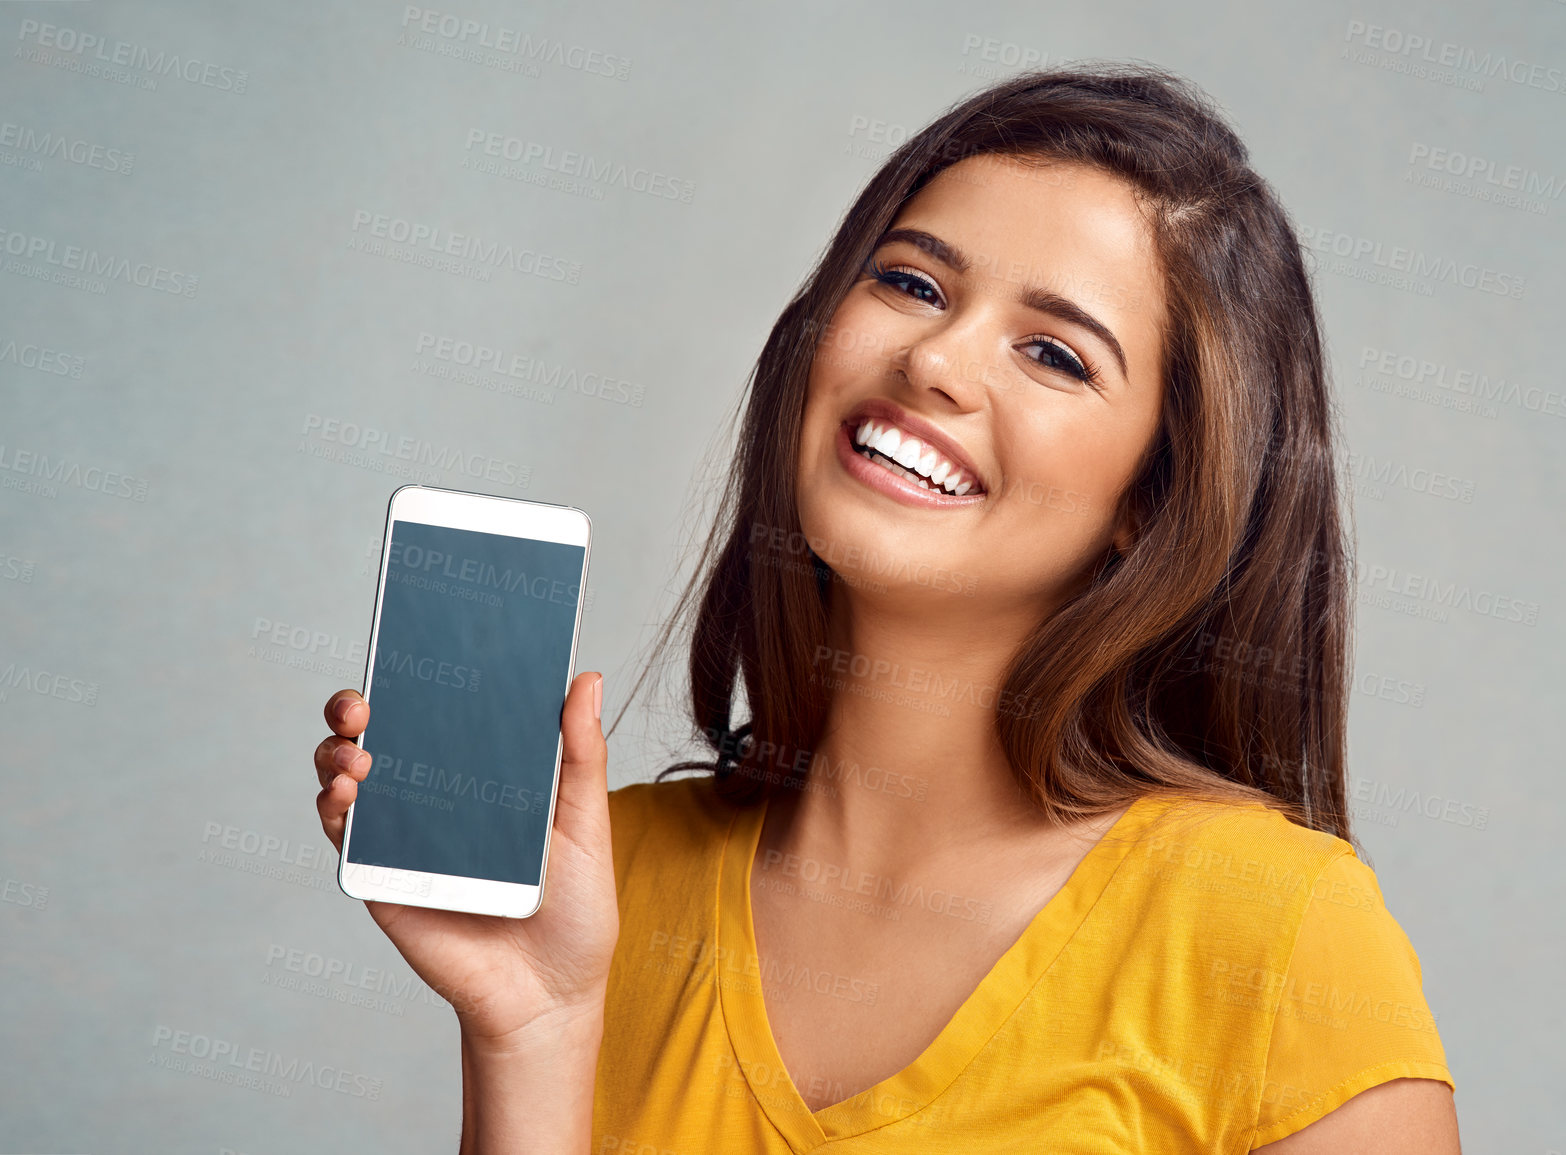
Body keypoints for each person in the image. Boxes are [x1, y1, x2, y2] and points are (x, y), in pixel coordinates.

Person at [313, 63, 1460, 1153]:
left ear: (1150, 500)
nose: (937, 360)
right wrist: (532, 1029)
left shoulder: (1278, 933)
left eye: (1055, 354)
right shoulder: (599, 881)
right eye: (911, 283)